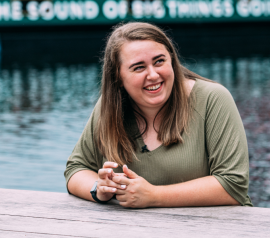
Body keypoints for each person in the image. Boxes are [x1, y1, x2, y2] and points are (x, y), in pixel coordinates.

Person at [64, 22, 252, 208]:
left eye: (159, 61)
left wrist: (154, 196)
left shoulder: (213, 98)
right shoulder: (109, 106)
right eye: (139, 67)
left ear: (172, 61)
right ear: (118, 78)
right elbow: (76, 169)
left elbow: (234, 184)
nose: (153, 75)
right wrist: (100, 188)